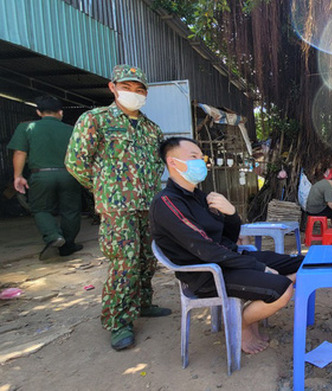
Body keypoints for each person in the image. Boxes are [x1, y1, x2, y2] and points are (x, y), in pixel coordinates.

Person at [150, 137, 303, 354]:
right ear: (173, 163)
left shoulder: (201, 197)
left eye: (201, 157)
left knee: (304, 264)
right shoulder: (167, 203)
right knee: (282, 290)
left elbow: (227, 238)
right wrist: (258, 267)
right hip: (206, 274)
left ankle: (259, 300)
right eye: (193, 157)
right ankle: (240, 323)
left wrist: (231, 214)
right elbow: (206, 250)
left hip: (228, 260)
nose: (201, 162)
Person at [65, 64, 170, 351]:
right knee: (124, 263)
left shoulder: (152, 129)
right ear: (113, 87)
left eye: (139, 90)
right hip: (117, 209)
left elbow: (159, 164)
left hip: (148, 205)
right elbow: (75, 162)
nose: (133, 94)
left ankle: (143, 303)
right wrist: (104, 189)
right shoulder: (95, 120)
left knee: (147, 258)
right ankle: (119, 320)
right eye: (126, 88)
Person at [8, 95, 83, 260]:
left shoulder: (26, 128)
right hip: (69, 174)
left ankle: (53, 236)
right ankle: (68, 245)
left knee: (41, 209)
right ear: (60, 112)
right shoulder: (71, 130)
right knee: (70, 210)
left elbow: (20, 152)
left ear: (38, 112)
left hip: (41, 174)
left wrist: (18, 176)